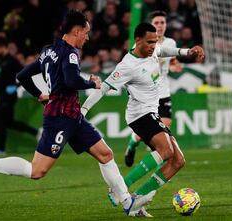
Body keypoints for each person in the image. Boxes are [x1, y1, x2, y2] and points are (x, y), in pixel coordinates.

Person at [0, 10, 152, 217]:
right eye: (86, 33)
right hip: (60, 119)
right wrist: (91, 83)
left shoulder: (48, 50)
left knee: (105, 154)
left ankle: (127, 203)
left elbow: (23, 75)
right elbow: (71, 80)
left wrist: (40, 95)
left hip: (73, 116)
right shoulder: (70, 53)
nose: (87, 38)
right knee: (37, 171)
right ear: (76, 31)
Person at [81, 22, 204, 214]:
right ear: (137, 40)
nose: (153, 46)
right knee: (165, 151)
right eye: (149, 42)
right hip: (139, 114)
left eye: (154, 42)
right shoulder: (127, 65)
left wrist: (188, 52)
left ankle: (136, 201)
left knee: (178, 161)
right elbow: (104, 88)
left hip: (151, 112)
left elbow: (164, 50)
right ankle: (119, 188)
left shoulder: (152, 50)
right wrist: (83, 110)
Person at [124, 10, 183, 167]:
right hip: (147, 97)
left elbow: (172, 61)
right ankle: (132, 144)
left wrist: (175, 65)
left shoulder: (170, 43)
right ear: (151, 25)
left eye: (162, 22)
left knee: (164, 129)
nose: (160, 25)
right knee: (145, 135)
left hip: (163, 93)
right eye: (156, 23)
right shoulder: (142, 44)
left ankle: (158, 166)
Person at [0, 37, 38, 155]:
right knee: (9, 122)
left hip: (10, 96)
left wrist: (15, 86)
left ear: (3, 47)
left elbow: (24, 75)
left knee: (0, 121)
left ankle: (1, 149)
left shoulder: (12, 61)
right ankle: (35, 132)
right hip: (1, 95)